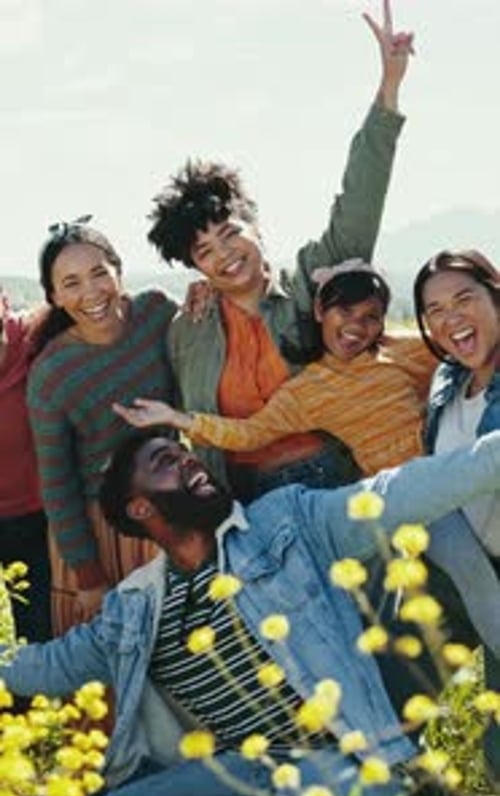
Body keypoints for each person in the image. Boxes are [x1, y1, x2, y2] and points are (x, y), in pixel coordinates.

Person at [4, 430, 500, 796]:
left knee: (305, 795)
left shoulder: (287, 521)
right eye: (164, 461)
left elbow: (403, 489)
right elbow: (45, 667)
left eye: (182, 451)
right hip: (243, 776)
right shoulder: (135, 610)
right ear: (139, 508)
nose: (186, 459)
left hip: (348, 763)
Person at [147, 0, 414, 502]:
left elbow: (358, 200)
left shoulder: (312, 281)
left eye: (230, 232)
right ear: (195, 266)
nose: (224, 255)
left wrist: (389, 90)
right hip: (239, 492)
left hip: (331, 478)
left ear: (255, 224)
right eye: (204, 251)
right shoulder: (190, 329)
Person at [114, 260, 436, 480]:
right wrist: (176, 418)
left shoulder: (404, 350)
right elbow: (250, 434)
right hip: (394, 495)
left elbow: (464, 353)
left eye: (371, 316)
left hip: (444, 467)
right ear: (320, 311)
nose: (357, 325)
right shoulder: (309, 390)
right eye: (346, 310)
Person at [27, 219, 178, 635]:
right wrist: (89, 577)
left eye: (99, 273)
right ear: (55, 297)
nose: (91, 292)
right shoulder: (51, 374)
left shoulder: (157, 314)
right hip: (97, 533)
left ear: (118, 271)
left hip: (171, 508)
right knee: (113, 669)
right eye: (71, 283)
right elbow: (57, 485)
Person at [413, 248, 500, 780]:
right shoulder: (445, 382)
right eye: (435, 310)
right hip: (469, 571)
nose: (451, 319)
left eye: (464, 299)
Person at [0, 290, 51, 643]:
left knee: (38, 633)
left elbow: (107, 311)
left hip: (36, 520)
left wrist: (203, 293)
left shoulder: (37, 336)